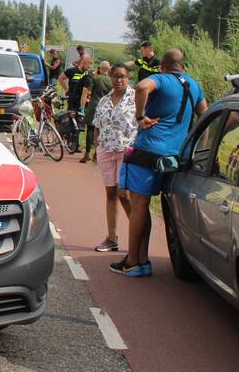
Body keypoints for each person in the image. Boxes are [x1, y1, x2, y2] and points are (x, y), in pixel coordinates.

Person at [111, 49, 208, 277]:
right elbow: (205, 117)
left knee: (139, 204)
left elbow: (141, 87)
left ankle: (134, 261)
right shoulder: (194, 86)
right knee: (151, 206)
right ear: (183, 66)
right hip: (175, 155)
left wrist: (140, 117)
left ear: (162, 65)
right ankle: (142, 259)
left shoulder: (161, 79)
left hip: (149, 151)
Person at [91, 64, 136, 252]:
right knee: (110, 194)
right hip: (105, 151)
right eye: (116, 76)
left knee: (124, 195)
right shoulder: (104, 100)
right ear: (110, 77)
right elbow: (97, 126)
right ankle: (112, 238)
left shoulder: (136, 98)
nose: (119, 80)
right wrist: (96, 147)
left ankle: (139, 237)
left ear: (128, 78)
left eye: (123, 76)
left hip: (127, 153)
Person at [80, 61, 112, 163]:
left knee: (90, 130)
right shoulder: (111, 81)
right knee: (102, 131)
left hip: (94, 106)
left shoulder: (95, 78)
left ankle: (87, 154)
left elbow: (88, 92)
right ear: (109, 69)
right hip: (106, 107)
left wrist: (82, 107)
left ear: (100, 68)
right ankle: (97, 154)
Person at [59, 54, 92, 135]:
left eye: (90, 65)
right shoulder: (72, 71)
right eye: (88, 65)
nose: (89, 67)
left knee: (79, 124)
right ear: (83, 63)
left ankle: (75, 140)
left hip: (83, 102)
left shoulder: (88, 74)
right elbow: (61, 78)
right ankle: (68, 137)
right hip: (72, 100)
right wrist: (67, 90)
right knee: (71, 121)